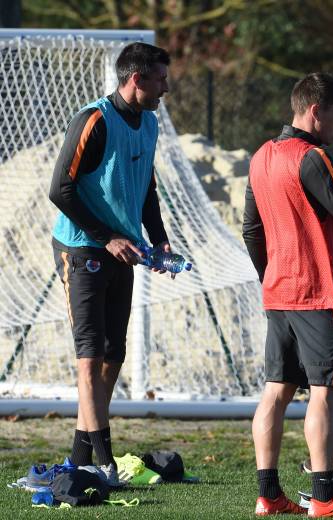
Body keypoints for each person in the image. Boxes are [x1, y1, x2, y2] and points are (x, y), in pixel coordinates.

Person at [243, 72, 333, 518]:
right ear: (316, 111)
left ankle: (268, 495)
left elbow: (251, 229)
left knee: (275, 391)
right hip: (317, 292)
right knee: (326, 394)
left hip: (279, 292)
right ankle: (323, 498)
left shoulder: (261, 156)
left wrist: (270, 274)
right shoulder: (311, 157)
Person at [48, 42, 171, 487]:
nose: (166, 88)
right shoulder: (94, 120)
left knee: (113, 355)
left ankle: (79, 458)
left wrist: (158, 238)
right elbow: (60, 190)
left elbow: (146, 187)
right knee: (89, 357)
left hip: (124, 250)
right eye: (160, 79)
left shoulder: (150, 123)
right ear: (136, 79)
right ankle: (104, 463)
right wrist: (108, 237)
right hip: (82, 249)